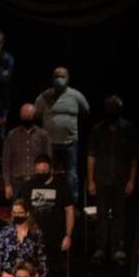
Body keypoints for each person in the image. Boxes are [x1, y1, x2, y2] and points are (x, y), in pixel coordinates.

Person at [86, 96, 138, 267]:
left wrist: (131, 180)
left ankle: (118, 249)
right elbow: (91, 155)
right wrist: (91, 180)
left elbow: (133, 157)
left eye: (115, 108)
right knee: (101, 215)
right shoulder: (97, 130)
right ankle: (100, 249)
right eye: (110, 108)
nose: (112, 111)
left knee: (119, 215)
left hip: (121, 180)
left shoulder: (128, 128)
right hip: (101, 179)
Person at [33, 67, 90, 196]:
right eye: (57, 76)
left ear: (68, 78)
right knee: (48, 171)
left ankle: (72, 200)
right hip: (50, 143)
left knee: (71, 173)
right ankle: (49, 197)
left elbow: (86, 111)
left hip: (70, 143)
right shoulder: (44, 96)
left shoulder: (76, 96)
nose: (60, 79)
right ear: (52, 79)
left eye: (62, 76)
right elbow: (36, 114)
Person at [21, 153, 75, 266]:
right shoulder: (28, 186)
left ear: (51, 170)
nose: (41, 174)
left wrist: (68, 235)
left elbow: (69, 211)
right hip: (33, 236)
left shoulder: (62, 186)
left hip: (56, 237)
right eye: (38, 171)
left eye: (44, 171)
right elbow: (21, 210)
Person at [0, 196, 49, 277]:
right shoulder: (5, 232)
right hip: (9, 276)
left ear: (27, 213)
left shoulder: (36, 233)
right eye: (14, 213)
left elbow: (42, 260)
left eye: (20, 213)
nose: (17, 215)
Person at [1, 103, 52, 202]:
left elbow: (49, 158)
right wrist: (7, 184)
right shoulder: (12, 135)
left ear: (34, 116)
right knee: (17, 208)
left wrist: (49, 177)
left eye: (29, 116)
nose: (27, 119)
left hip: (37, 178)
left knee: (38, 207)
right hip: (17, 180)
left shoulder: (43, 135)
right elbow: (6, 161)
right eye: (24, 116)